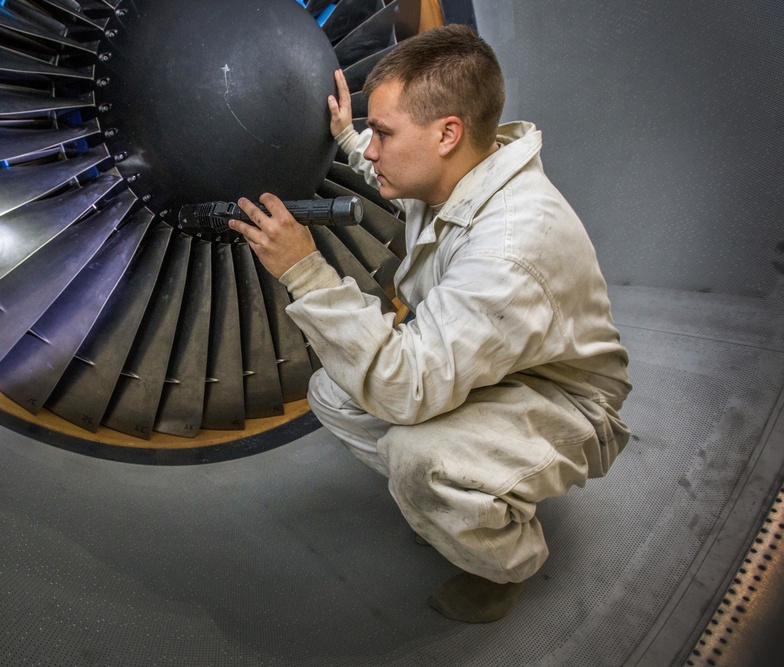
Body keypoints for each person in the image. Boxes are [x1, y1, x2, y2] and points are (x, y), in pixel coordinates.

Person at [228, 25, 631, 623]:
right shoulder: (456, 171)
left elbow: (406, 386)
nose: (372, 150)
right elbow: (388, 178)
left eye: (383, 134)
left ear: (447, 134)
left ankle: (504, 559)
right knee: (331, 394)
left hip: (566, 401)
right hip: (498, 364)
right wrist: (346, 133)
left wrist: (306, 272)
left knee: (421, 458)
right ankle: (467, 497)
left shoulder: (510, 248)